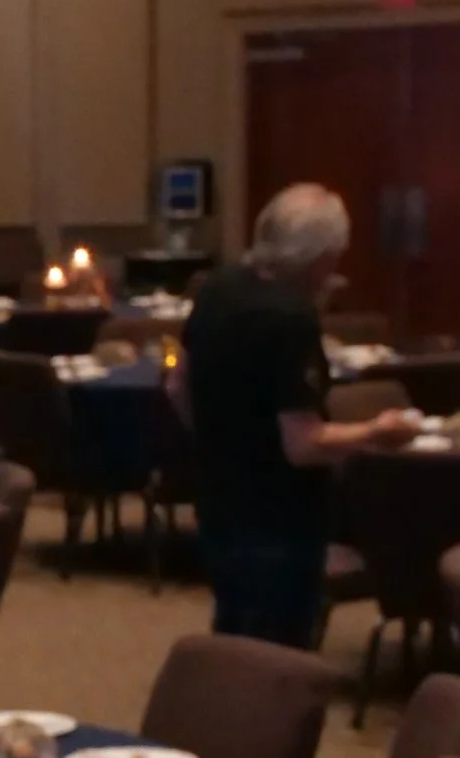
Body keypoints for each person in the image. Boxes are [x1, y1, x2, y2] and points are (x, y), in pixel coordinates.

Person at [174, 184, 420, 648]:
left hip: (219, 500)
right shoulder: (290, 319)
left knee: (233, 642)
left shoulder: (219, 288)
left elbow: (177, 385)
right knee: (278, 663)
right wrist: (377, 431)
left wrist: (218, 443)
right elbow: (303, 444)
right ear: (319, 257)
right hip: (280, 519)